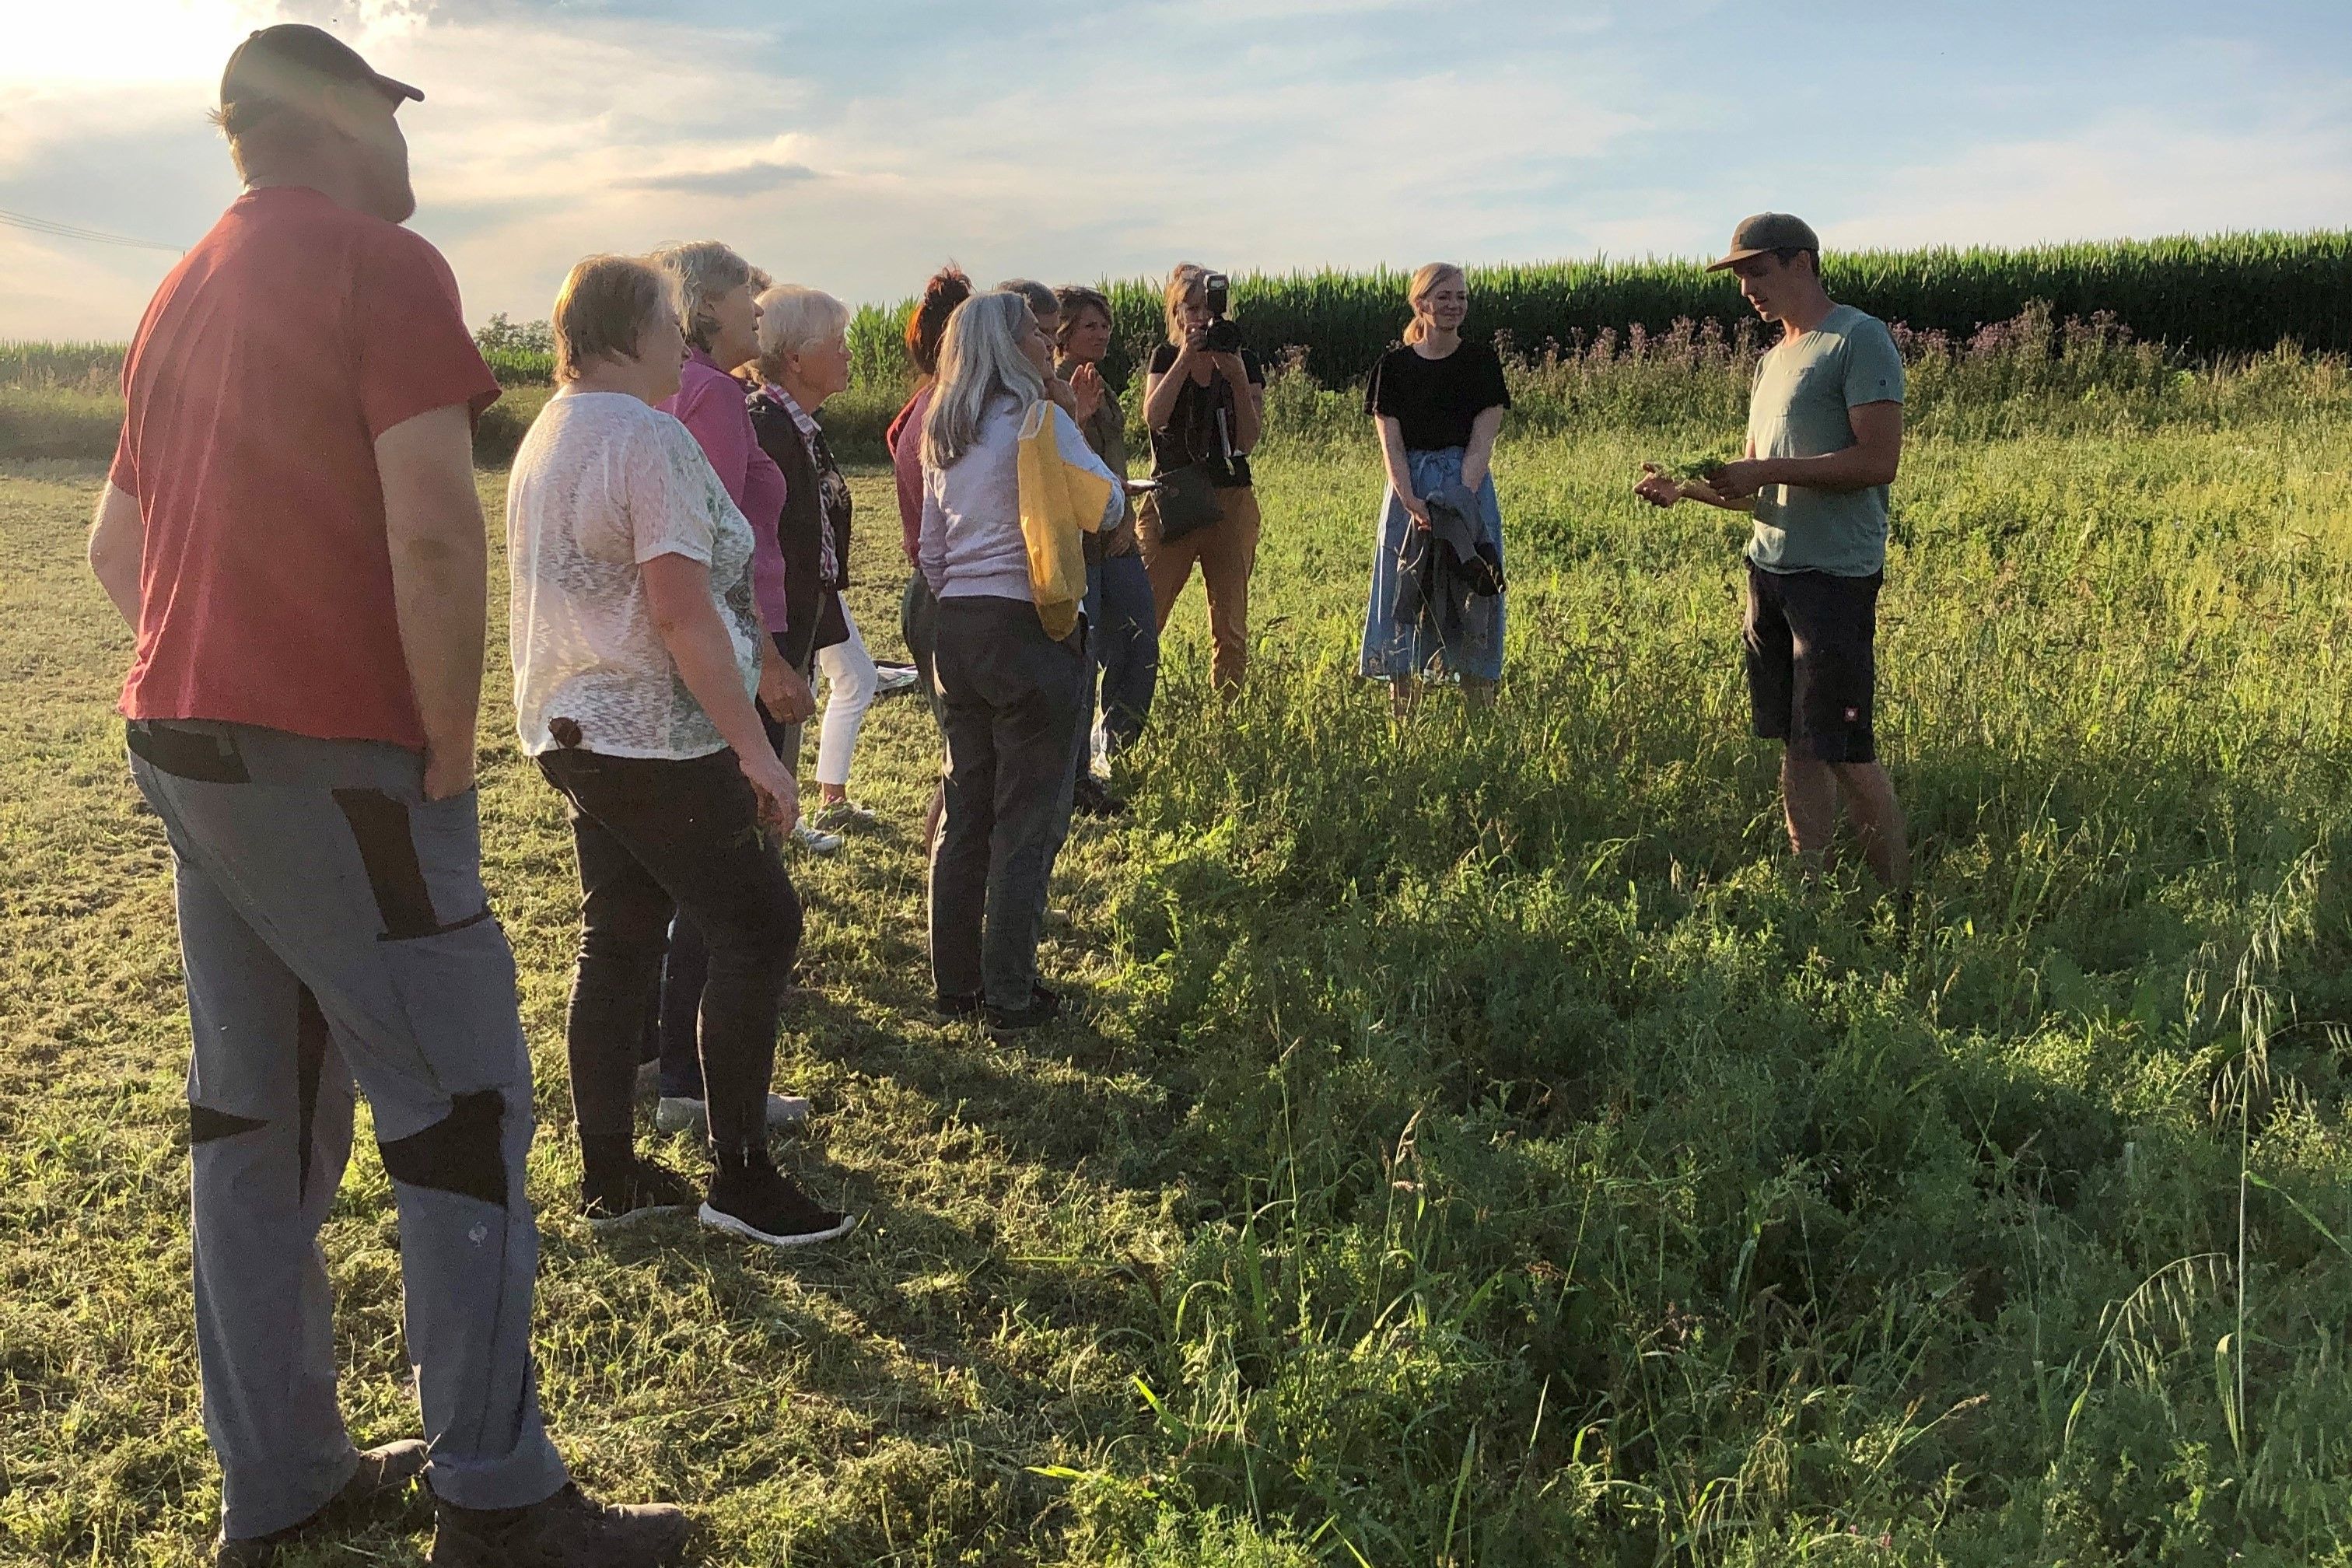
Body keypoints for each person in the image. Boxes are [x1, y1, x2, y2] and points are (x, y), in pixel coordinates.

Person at [83, 26, 684, 1566]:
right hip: (340, 761)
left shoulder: (177, 290)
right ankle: (499, 1494)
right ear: (341, 119)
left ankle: (278, 1479)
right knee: (465, 1103)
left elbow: (113, 556)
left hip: (189, 751)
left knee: (256, 1121)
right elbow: (434, 531)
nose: (409, 145)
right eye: (396, 112)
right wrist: (440, 745)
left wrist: (218, 657)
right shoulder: (381, 267)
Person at [508, 252, 857, 1253]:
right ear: (629, 334)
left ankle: (610, 1172)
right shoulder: (647, 439)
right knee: (758, 927)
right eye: (672, 323)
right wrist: (755, 749)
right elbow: (678, 607)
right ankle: (740, 1178)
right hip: (654, 737)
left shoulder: (549, 433)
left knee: (619, 933)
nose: (684, 340)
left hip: (573, 728)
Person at [1635, 213, 1910, 889]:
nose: (1746, 288)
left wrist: (1763, 474)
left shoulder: (1858, 338)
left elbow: (1878, 461)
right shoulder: (1770, 361)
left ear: (1804, 264)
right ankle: (1807, 888)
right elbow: (1751, 490)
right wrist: (1689, 490)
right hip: (1773, 571)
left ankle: (1900, 904)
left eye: (1756, 271)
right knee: (1796, 741)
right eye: (1739, 276)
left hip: (1834, 577)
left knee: (1845, 747)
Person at [640, 241, 823, 1142]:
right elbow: (711, 540)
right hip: (742, 646)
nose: (761, 312)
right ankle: (693, 1079)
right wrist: (768, 661)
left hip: (739, 641)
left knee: (702, 874)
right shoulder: (710, 395)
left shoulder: (703, 390)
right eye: (748, 302)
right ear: (704, 310)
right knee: (734, 876)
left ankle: (672, 1063)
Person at [919, 292, 1125, 1028]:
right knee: (1027, 817)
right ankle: (1009, 990)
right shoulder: (1040, 422)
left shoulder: (944, 430)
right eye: (1037, 336)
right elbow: (1107, 510)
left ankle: (956, 983)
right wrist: (1072, 416)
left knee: (966, 807)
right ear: (1014, 348)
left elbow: (932, 554)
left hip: (960, 627)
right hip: (1030, 624)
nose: (1047, 345)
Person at [747, 285, 881, 834]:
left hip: (795, 622)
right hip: (770, 632)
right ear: (796, 358)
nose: (848, 353)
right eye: (838, 342)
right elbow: (754, 545)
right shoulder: (766, 428)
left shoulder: (796, 425)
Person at [1360, 263, 1510, 715]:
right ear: (1421, 304)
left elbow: (1482, 442)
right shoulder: (1393, 368)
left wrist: (1456, 505)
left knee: (1473, 587)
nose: (1454, 305)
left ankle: (1480, 717)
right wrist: (1411, 501)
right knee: (1404, 591)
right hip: (1409, 494)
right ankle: (1403, 722)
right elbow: (1393, 447)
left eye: (1461, 297)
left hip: (1468, 491)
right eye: (1444, 297)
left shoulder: (1482, 363)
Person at [1139, 262, 1265, 692]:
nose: (1201, 318)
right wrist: (1186, 359)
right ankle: (1123, 715)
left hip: (1230, 498)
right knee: (1145, 617)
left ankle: (1229, 724)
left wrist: (1236, 377)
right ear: (1175, 314)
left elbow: (1248, 441)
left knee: (1229, 625)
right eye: (1190, 309)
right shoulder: (1164, 356)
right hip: (1172, 498)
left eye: (1208, 308)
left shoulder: (1242, 357)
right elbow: (1154, 418)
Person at [1054, 284, 1157, 804]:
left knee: (1140, 641)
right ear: (1064, 330)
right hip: (1078, 546)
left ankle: (1117, 750)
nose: (1103, 334)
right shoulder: (1054, 387)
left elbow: (1108, 466)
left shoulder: (1102, 385)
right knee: (1082, 655)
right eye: (1091, 325)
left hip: (1119, 538)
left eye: (1106, 325)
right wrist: (1078, 413)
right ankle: (1074, 776)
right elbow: (1052, 463)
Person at [888, 265, 975, 851]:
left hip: (924, 587)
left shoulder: (915, 410)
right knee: (968, 752)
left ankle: (946, 857)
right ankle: (948, 862)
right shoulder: (953, 415)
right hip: (953, 591)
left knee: (959, 745)